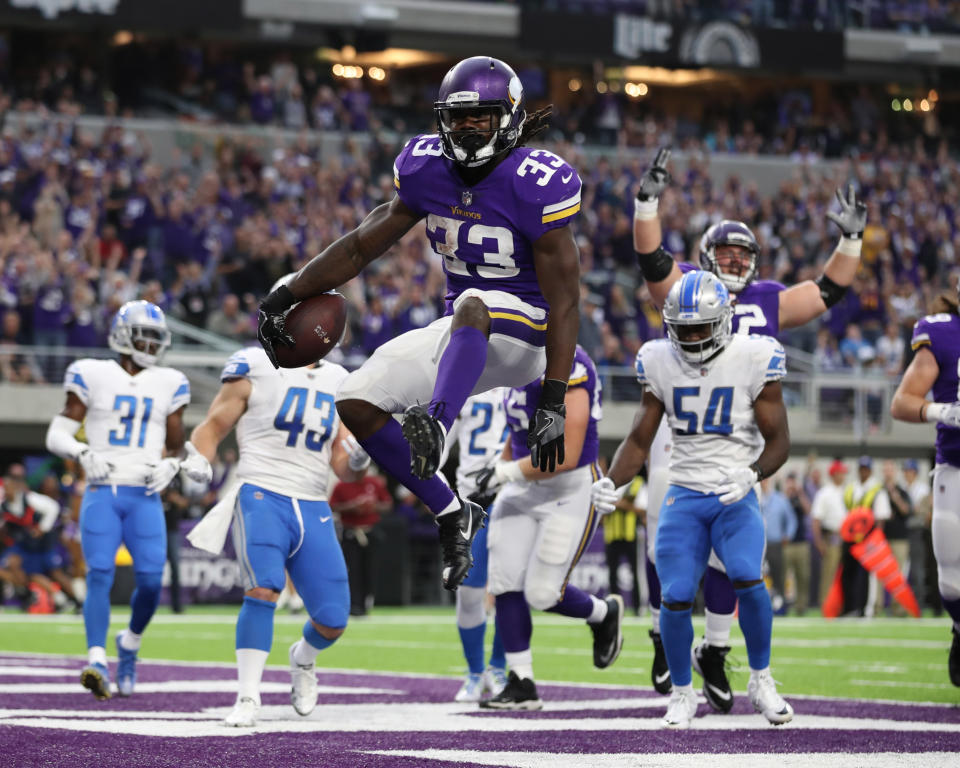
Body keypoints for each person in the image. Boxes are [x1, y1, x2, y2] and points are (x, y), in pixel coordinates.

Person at [257, 56, 582, 594]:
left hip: (529, 334)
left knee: (473, 303)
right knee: (356, 397)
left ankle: (435, 420)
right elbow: (363, 245)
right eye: (458, 118)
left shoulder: (536, 182)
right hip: (467, 335)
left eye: (481, 116)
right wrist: (290, 292)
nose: (467, 127)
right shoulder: (426, 167)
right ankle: (453, 513)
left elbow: (567, 303)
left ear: (510, 117)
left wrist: (552, 398)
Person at [629, 148, 867, 706]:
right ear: (708, 256)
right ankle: (669, 636)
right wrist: (647, 203)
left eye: (743, 253)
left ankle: (713, 647)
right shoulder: (687, 287)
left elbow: (827, 292)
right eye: (727, 252)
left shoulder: (767, 300)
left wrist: (850, 243)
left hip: (739, 445)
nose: (735, 261)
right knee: (669, 548)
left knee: (733, 561)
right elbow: (650, 259)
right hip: (680, 441)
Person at [591, 270, 792, 728]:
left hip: (732, 489)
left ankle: (761, 679)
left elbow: (780, 441)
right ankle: (682, 692)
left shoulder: (755, 355)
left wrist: (752, 473)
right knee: (676, 594)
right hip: (683, 490)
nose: (694, 336)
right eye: (685, 328)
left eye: (702, 326)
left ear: (723, 321)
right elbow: (640, 439)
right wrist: (612, 481)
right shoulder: (659, 360)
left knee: (746, 575)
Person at [186, 313, 371, 727]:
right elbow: (213, 427)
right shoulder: (255, 364)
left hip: (312, 502)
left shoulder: (340, 377)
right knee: (264, 588)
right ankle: (248, 696)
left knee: (333, 618)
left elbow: (342, 467)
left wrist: (358, 458)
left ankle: (302, 660)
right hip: (261, 491)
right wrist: (198, 457)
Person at [44, 300, 211, 699]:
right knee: (99, 574)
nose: (152, 346)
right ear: (122, 336)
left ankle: (130, 644)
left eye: (157, 338)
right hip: (102, 491)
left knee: (153, 583)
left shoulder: (169, 381)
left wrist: (173, 466)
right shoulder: (93, 373)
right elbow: (57, 433)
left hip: (145, 495)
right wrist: (83, 453)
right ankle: (97, 659)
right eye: (145, 336)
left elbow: (174, 447)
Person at [476, 345, 623, 710]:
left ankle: (603, 614)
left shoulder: (567, 361)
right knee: (504, 579)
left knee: (542, 594)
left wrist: (504, 472)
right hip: (523, 485)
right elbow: (519, 428)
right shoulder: (514, 357)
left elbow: (565, 453)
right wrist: (502, 468)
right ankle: (521, 682)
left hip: (568, 486)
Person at [890, 286, 960, 685]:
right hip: (956, 464)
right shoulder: (942, 332)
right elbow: (902, 401)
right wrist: (942, 411)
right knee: (951, 580)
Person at [440, 388, 509, 703]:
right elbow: (438, 447)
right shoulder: (465, 381)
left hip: (513, 494)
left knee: (510, 590)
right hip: (470, 501)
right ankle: (474, 672)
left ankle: (499, 668)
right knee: (468, 594)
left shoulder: (526, 379)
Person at [329, 468, 391, 617]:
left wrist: (373, 506)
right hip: (351, 532)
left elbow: (388, 504)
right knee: (353, 569)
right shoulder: (341, 485)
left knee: (370, 568)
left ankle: (367, 601)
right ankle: (354, 604)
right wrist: (352, 506)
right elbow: (331, 506)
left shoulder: (374, 483)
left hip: (370, 531)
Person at [842, 456, 891, 616]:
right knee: (847, 573)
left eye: (866, 469)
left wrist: (875, 540)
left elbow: (881, 517)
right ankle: (849, 607)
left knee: (864, 576)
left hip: (867, 538)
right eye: (861, 468)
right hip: (850, 538)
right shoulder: (852, 487)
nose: (863, 472)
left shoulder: (877, 489)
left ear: (870, 470)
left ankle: (862, 608)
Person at [811, 460, 849, 608]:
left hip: (847, 538)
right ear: (834, 474)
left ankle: (842, 605)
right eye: (841, 473)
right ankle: (826, 605)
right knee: (830, 573)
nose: (843, 476)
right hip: (832, 536)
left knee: (844, 574)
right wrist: (819, 542)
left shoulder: (847, 491)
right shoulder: (824, 493)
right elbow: (816, 520)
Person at [760, 476, 796, 612]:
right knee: (757, 575)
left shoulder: (780, 499)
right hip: (758, 542)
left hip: (775, 543)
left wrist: (788, 534)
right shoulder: (755, 497)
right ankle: (760, 604)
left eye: (765, 480)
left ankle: (780, 605)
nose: (763, 483)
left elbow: (791, 519)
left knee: (778, 574)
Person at [782, 472, 812, 615]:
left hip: (801, 543)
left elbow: (809, 511)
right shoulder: (783, 498)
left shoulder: (800, 497)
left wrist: (799, 493)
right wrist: (786, 493)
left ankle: (801, 606)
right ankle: (783, 605)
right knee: (784, 577)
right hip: (786, 544)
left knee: (803, 576)